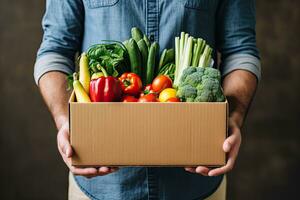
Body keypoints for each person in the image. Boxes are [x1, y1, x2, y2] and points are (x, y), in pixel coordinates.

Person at [34, 0, 261, 199]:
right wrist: (66, 121)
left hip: (195, 184)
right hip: (102, 186)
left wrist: (233, 117)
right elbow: (55, 51)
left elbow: (241, 52)